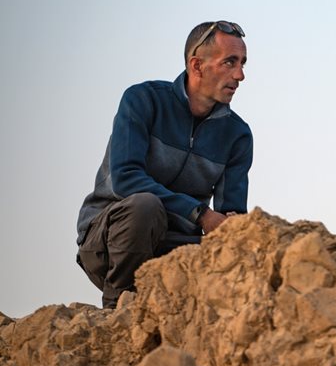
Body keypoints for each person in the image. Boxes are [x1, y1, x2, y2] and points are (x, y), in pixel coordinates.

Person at [76, 20, 253, 308]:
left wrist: (235, 225)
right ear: (197, 66)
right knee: (145, 205)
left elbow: (230, 216)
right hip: (109, 243)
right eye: (230, 62)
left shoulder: (238, 135)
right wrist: (200, 215)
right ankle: (117, 311)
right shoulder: (142, 100)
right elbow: (126, 179)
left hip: (176, 251)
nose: (240, 75)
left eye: (243, 63)